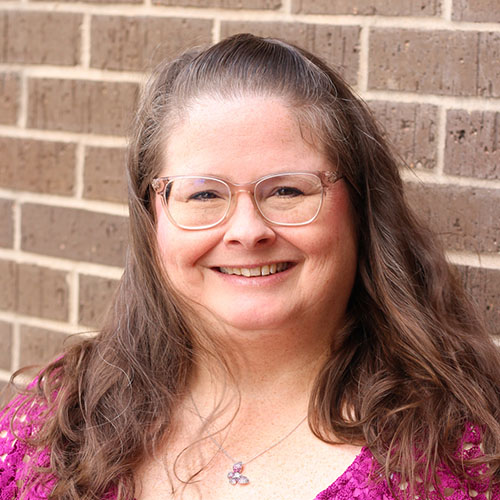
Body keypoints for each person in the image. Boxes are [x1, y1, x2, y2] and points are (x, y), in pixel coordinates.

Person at [0, 33, 498, 500]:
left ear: (362, 207)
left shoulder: (461, 457)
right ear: (152, 217)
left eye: (287, 190)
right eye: (203, 194)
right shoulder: (56, 428)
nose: (246, 230)